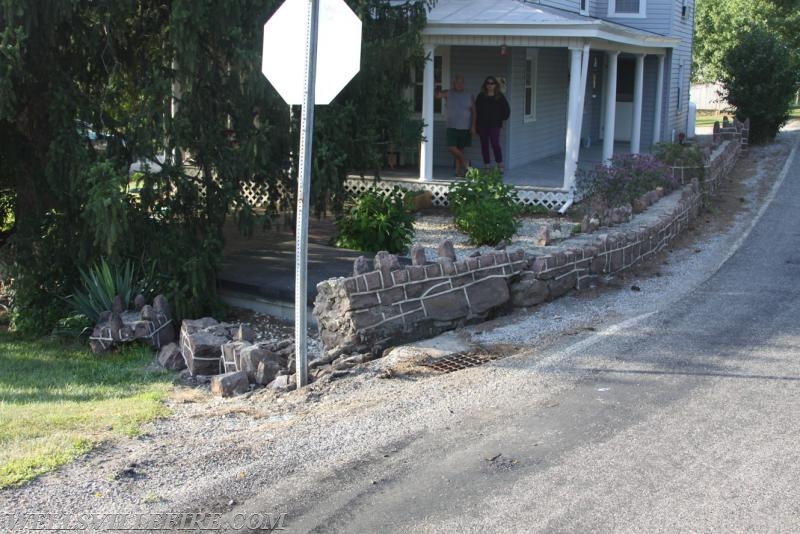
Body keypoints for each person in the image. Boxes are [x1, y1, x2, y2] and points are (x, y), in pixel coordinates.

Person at [435, 75, 476, 177]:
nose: (459, 84)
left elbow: (474, 112)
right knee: (451, 147)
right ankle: (466, 162)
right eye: (457, 82)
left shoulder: (469, 95)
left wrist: (473, 126)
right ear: (453, 83)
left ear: (463, 84)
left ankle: (457, 172)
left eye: (461, 82)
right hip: (451, 126)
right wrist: (435, 84)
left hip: (465, 127)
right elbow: (437, 95)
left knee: (460, 149)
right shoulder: (448, 93)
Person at [475, 75, 510, 175]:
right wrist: (476, 124)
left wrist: (501, 119)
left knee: (495, 144)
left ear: (495, 85)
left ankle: (500, 165)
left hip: (495, 125)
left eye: (492, 83)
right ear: (485, 85)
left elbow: (506, 110)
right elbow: (476, 111)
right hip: (482, 125)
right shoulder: (481, 96)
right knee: (484, 145)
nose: (490, 85)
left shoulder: (499, 96)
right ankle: (487, 166)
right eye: (488, 83)